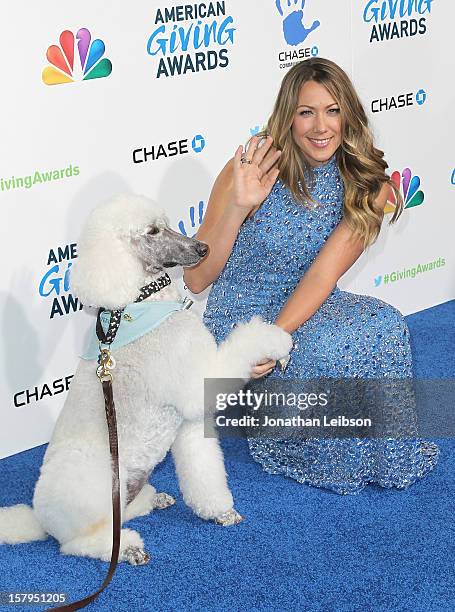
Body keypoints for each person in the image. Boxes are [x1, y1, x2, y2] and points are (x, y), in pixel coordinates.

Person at [183, 57, 438, 494]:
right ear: (289, 116)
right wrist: (238, 207)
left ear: (348, 116)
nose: (321, 126)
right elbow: (196, 279)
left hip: (304, 304)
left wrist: (276, 335)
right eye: (307, 112)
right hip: (242, 315)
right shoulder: (251, 166)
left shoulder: (369, 187)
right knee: (327, 355)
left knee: (387, 325)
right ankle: (285, 432)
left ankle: (386, 455)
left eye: (332, 110)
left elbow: (322, 276)